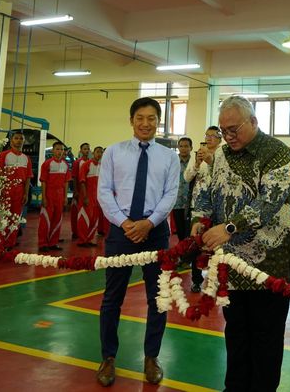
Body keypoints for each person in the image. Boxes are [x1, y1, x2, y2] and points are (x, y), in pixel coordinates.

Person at [191, 95, 290, 392]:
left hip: (271, 263)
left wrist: (228, 228)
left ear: (253, 122)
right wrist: (200, 219)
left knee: (266, 337)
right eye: (223, 131)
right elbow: (205, 188)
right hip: (234, 263)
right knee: (236, 333)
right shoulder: (222, 155)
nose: (228, 137)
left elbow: (270, 201)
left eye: (233, 129)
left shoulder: (276, 152)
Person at [96, 97, 180, 387]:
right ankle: (108, 357)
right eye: (140, 118)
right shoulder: (113, 153)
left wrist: (149, 223)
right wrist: (125, 223)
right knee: (111, 298)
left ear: (159, 121)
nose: (146, 123)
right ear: (131, 120)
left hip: (155, 232)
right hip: (121, 232)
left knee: (158, 299)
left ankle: (151, 357)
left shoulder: (169, 157)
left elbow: (171, 194)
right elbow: (104, 192)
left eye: (152, 118)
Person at [183, 125, 222, 292]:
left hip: (219, 208)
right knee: (197, 243)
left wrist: (210, 162)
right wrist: (198, 164)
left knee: (217, 246)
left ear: (220, 138)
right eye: (207, 135)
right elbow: (187, 177)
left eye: (213, 135)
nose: (209, 138)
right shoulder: (197, 154)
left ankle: (216, 281)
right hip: (199, 208)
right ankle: (197, 280)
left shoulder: (224, 154)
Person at [0, 131, 33, 249]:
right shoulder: (3, 155)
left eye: (21, 138)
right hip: (5, 189)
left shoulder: (26, 158)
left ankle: (10, 242)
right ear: (11, 141)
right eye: (16, 138)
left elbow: (27, 178)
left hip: (20, 190)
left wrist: (26, 193)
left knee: (15, 217)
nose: (19, 141)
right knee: (3, 217)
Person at [38, 141, 71, 252]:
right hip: (49, 194)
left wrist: (65, 197)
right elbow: (43, 181)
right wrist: (44, 197)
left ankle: (53, 242)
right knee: (45, 220)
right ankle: (43, 243)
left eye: (62, 149)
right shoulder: (47, 164)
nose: (60, 151)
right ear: (52, 150)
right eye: (57, 149)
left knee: (57, 219)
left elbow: (66, 182)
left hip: (60, 195)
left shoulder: (65, 165)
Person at [77, 146, 103, 247]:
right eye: (97, 152)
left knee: (94, 219)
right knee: (84, 219)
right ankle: (82, 241)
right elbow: (82, 182)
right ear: (93, 153)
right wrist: (85, 197)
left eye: (101, 152)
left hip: (97, 197)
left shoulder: (102, 166)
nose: (99, 154)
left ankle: (89, 239)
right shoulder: (86, 165)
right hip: (87, 196)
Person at [70, 142, 91, 241]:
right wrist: (75, 191)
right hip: (79, 191)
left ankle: (85, 232)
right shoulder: (77, 162)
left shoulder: (91, 163)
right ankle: (75, 232)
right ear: (81, 151)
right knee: (76, 212)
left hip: (88, 192)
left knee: (85, 213)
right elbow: (74, 177)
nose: (86, 150)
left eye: (88, 149)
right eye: (85, 149)